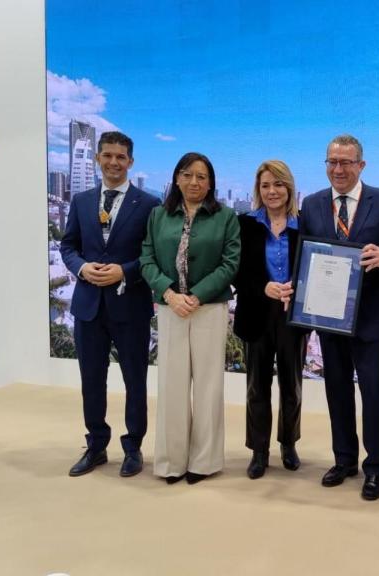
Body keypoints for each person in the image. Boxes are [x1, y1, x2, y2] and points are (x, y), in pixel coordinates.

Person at [298, 134, 379, 501]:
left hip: (372, 317)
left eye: (346, 162)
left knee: (374, 393)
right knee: (337, 390)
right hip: (329, 317)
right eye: (332, 162)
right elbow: (305, 258)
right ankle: (343, 459)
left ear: (361, 165)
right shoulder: (311, 205)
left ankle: (375, 468)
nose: (338, 169)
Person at [60, 131, 160, 478]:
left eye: (121, 157)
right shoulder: (82, 201)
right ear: (97, 159)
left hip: (130, 307)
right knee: (91, 380)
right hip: (88, 306)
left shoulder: (149, 205)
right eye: (107, 156)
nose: (114, 162)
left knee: (135, 380)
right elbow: (68, 246)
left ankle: (133, 448)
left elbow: (154, 256)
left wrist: (125, 272)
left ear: (130, 161)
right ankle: (96, 446)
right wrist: (82, 268)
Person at [140, 152, 241, 485]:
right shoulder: (158, 215)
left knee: (209, 386)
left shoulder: (226, 217)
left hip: (209, 309)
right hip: (170, 308)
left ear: (210, 182)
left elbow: (230, 263)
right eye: (187, 175)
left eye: (201, 176)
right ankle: (170, 461)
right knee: (171, 385)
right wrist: (169, 294)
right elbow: (147, 259)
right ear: (176, 179)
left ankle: (204, 461)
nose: (194, 182)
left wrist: (197, 295)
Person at [234, 160, 307, 479]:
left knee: (292, 385)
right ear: (258, 190)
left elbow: (316, 268)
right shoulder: (243, 224)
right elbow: (236, 270)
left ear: (288, 188)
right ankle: (259, 450)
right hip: (256, 313)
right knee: (256, 387)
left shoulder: (304, 225)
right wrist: (262, 285)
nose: (272, 191)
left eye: (278, 185)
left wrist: (299, 289)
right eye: (265, 185)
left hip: (293, 317)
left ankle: (288, 444)